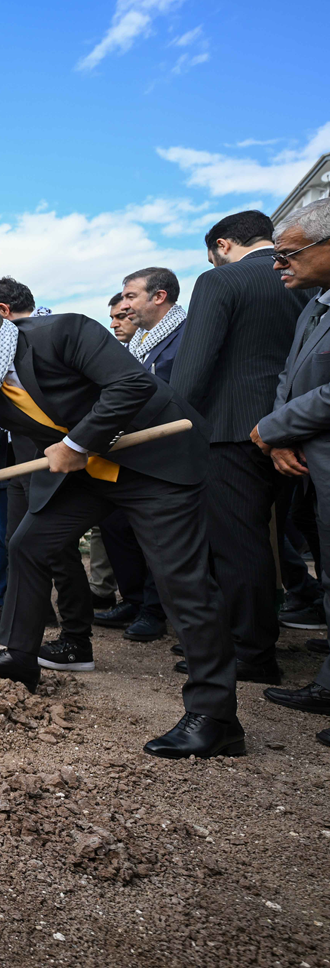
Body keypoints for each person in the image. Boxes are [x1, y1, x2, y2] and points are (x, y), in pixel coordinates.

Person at [0, 297, 239, 759]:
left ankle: (216, 718)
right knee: (30, 545)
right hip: (87, 471)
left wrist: (77, 442)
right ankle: (20, 657)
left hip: (153, 461)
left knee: (181, 582)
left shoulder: (64, 334)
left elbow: (132, 385)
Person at [171, 210, 313, 686]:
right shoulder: (310, 280)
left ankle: (250, 651)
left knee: (238, 544)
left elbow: (193, 366)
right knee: (289, 537)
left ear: (223, 245)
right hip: (299, 425)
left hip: (231, 428)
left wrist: (175, 424)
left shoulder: (220, 281)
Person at [0, 277, 90, 652]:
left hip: (57, 459)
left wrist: (73, 446)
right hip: (19, 460)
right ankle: (20, 617)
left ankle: (75, 635)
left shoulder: (53, 340)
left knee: (58, 549)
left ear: (2, 312)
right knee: (17, 541)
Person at [251, 199, 330, 748]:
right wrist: (278, 434)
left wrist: (276, 426)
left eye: (288, 253)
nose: (278, 264)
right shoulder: (312, 306)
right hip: (309, 456)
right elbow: (290, 373)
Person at [96, 276, 188, 644]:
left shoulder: (184, 336)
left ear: (159, 296)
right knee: (116, 526)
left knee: (157, 535)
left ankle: (154, 610)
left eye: (130, 299)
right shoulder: (136, 346)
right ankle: (134, 601)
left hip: (168, 451)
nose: (124, 310)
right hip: (130, 452)